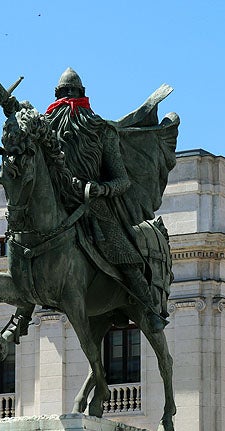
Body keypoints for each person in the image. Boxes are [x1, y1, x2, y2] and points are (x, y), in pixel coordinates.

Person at [43, 68, 169, 331]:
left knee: (123, 252)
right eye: (64, 95)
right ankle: (23, 314)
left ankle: (147, 306)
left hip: (94, 206)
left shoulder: (102, 131)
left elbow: (122, 180)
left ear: (82, 96)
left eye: (71, 95)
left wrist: (98, 189)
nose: (68, 101)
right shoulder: (45, 132)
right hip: (57, 205)